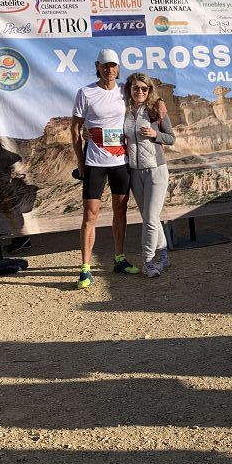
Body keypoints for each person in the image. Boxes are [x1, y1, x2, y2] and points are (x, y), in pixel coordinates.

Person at [70, 49, 139, 290]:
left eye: (114, 65)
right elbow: (75, 129)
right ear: (98, 66)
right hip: (95, 163)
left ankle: (119, 259)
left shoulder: (124, 91)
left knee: (120, 211)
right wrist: (80, 161)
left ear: (118, 68)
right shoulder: (86, 92)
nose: (110, 70)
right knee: (90, 215)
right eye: (105, 65)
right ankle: (85, 269)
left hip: (120, 162)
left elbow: (146, 95)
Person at [123, 73, 175, 277]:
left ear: (150, 90)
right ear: (130, 89)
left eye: (145, 89)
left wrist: (156, 135)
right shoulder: (124, 111)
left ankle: (147, 261)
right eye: (136, 88)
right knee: (149, 217)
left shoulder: (155, 110)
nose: (140, 92)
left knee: (151, 218)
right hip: (135, 172)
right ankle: (163, 256)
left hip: (156, 169)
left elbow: (171, 138)